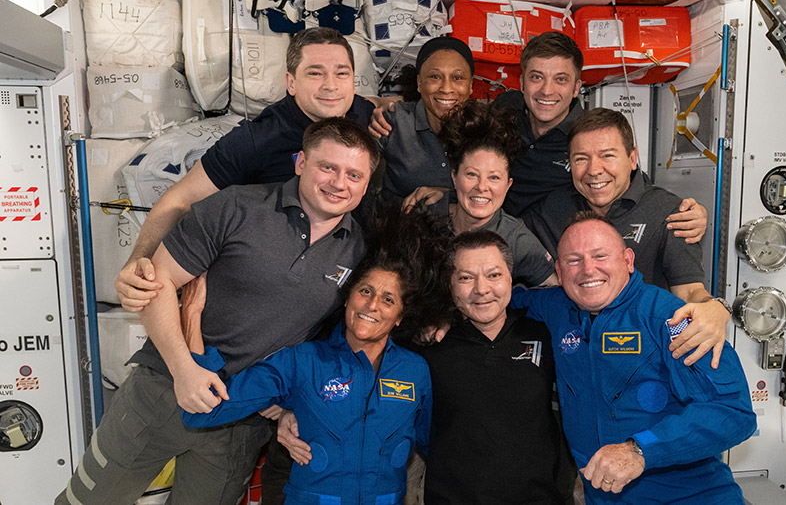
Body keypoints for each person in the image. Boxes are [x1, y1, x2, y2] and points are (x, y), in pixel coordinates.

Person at [56, 118, 379, 505]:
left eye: (354, 174)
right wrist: (184, 370)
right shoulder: (236, 206)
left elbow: (324, 342)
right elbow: (157, 286)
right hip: (164, 392)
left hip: (242, 422)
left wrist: (291, 404)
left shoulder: (358, 252)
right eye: (328, 166)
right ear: (300, 162)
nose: (339, 183)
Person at [182, 208, 453, 505]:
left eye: (388, 300)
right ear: (348, 297)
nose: (373, 305)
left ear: (400, 316)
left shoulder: (415, 371)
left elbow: (437, 450)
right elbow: (202, 412)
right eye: (365, 291)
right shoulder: (301, 362)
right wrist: (191, 318)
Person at [115, 27, 377, 312]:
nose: (331, 85)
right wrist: (136, 260)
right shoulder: (257, 140)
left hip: (347, 273)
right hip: (276, 288)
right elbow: (179, 199)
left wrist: (391, 105)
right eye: (315, 73)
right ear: (291, 82)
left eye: (342, 73)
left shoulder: (358, 113)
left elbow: (375, 104)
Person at [510, 213, 756, 505]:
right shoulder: (556, 308)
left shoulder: (670, 319)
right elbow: (496, 300)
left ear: (628, 260)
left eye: (600, 256)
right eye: (574, 260)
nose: (588, 270)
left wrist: (640, 450)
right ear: (560, 272)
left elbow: (732, 411)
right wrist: (446, 318)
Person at [526, 107, 731, 366]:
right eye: (581, 159)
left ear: (632, 158)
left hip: (645, 368)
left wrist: (715, 309)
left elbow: (690, 292)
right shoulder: (550, 210)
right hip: (574, 367)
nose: (594, 170)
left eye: (607, 156)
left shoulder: (669, 212)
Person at [492, 31, 706, 243]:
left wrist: (690, 214)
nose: (547, 90)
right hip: (494, 236)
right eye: (537, 77)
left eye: (561, 79)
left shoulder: (587, 136)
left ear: (577, 87)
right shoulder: (502, 112)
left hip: (549, 247)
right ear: (521, 82)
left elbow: (631, 186)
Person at [418, 231, 563, 505]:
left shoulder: (545, 334)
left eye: (494, 275)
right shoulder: (429, 346)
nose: (481, 289)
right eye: (465, 277)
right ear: (450, 284)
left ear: (511, 278)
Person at [404, 100, 557, 286]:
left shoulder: (517, 240)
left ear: (508, 185)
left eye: (494, 178)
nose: (482, 187)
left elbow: (555, 291)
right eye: (471, 175)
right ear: (454, 177)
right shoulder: (426, 214)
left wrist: (518, 299)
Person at [371, 36, 474, 206]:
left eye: (457, 78)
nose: (446, 88)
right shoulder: (392, 121)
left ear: (471, 85)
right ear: (419, 83)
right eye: (435, 77)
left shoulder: (484, 126)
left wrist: (447, 196)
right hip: (397, 227)